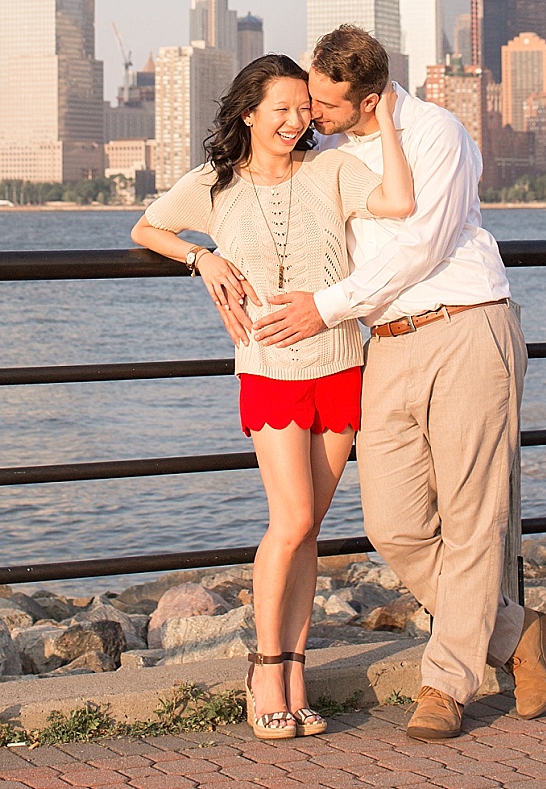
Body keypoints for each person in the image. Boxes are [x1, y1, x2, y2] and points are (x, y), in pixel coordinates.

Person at [252, 25, 546, 742]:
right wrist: (209, 262)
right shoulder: (323, 150)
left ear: (368, 100)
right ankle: (514, 631)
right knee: (391, 522)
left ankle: (446, 685)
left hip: (465, 329)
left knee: (474, 516)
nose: (312, 113)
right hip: (382, 343)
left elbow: (420, 246)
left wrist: (323, 308)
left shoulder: (436, 133)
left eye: (325, 104)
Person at [131, 53, 414, 740]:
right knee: (288, 521)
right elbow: (146, 228)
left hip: (342, 361)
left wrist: (390, 120)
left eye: (304, 109)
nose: (295, 121)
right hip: (269, 368)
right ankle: (264, 667)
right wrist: (204, 258)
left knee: (308, 530)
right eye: (280, 109)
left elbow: (401, 203)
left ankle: (294, 667)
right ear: (248, 113)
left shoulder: (334, 169)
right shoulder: (214, 183)